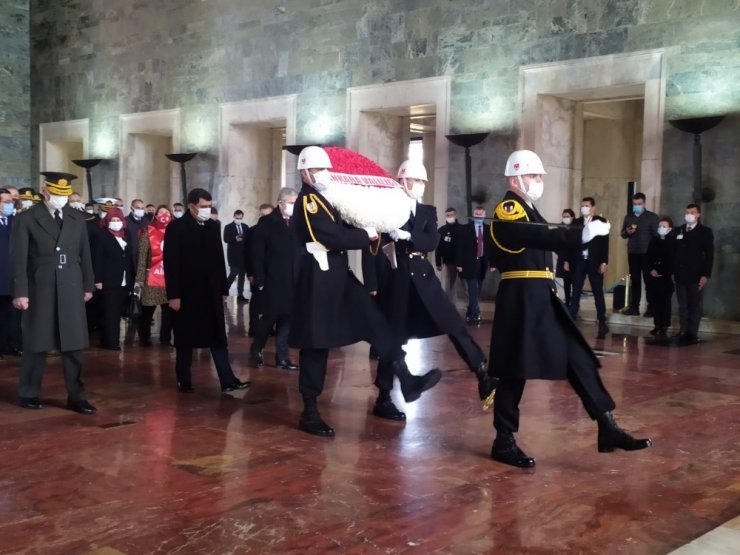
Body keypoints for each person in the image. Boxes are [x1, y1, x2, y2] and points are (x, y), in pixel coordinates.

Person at [487, 150, 651, 468]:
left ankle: (607, 426)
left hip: (541, 294)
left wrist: (578, 235)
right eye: (534, 176)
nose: (539, 181)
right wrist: (579, 235)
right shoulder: (509, 207)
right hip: (521, 296)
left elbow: (538, 234)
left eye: (539, 176)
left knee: (578, 356)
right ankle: (503, 441)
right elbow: (529, 235)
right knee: (513, 370)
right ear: (514, 178)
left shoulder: (529, 208)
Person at [290, 146, 441, 437]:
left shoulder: (327, 198)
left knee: (376, 322)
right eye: (319, 170)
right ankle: (309, 410)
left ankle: (406, 380)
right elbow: (330, 236)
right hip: (317, 279)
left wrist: (377, 221)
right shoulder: (308, 201)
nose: (324, 175)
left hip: (338, 275)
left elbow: (348, 224)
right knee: (316, 343)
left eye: (326, 170)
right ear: (305, 173)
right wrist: (365, 234)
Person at [362, 160, 496, 419]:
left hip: (422, 276)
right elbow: (372, 250)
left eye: (423, 181)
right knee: (395, 336)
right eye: (416, 180)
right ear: (403, 181)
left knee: (453, 322)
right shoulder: (384, 210)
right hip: (396, 278)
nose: (421, 185)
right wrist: (372, 284)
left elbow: (432, 240)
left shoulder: (427, 211)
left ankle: (482, 372)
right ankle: (383, 397)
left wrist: (408, 236)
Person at [11, 172, 96, 414]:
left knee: (74, 345)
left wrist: (88, 285)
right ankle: (28, 392)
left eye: (65, 194)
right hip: (40, 287)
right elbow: (19, 259)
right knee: (36, 344)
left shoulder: (77, 218)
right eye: (57, 194)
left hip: (71, 285)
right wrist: (21, 292)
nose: (61, 198)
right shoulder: (27, 219)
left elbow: (85, 255)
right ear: (45, 191)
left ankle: (77, 397)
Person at [163, 188, 250, 393]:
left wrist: (222, 289)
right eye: (203, 206)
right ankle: (184, 380)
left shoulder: (212, 226)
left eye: (209, 206)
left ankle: (227, 380)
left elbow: (219, 259)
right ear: (191, 206)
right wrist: (174, 295)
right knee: (185, 339)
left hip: (210, 292)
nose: (206, 209)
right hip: (187, 292)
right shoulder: (176, 227)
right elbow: (171, 263)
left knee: (218, 337)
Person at [249, 188, 301, 371]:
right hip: (273, 278)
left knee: (287, 319)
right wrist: (260, 279)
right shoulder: (267, 222)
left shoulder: (298, 221)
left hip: (294, 278)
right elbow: (258, 253)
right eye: (291, 201)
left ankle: (283, 357)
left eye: (296, 201)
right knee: (270, 318)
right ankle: (256, 347)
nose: (294, 205)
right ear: (280, 203)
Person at [93, 207, 135, 350]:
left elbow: (129, 258)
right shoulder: (101, 236)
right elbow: (97, 259)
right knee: (110, 313)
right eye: (113, 220)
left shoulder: (126, 235)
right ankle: (111, 342)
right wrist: (97, 280)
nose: (116, 223)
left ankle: (111, 339)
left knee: (118, 312)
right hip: (108, 280)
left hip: (124, 281)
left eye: (118, 220)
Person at [672, 204, 714, 345]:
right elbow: (674, 252)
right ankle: (683, 330)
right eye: (687, 212)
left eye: (692, 212)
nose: (689, 214)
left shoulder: (705, 232)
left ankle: (693, 333)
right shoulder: (679, 230)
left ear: (698, 215)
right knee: (682, 304)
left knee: (694, 305)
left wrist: (705, 275)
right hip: (680, 274)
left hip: (695, 275)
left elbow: (709, 255)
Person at [568, 197, 610, 339]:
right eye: (582, 206)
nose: (583, 208)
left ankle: (602, 320)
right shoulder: (576, 222)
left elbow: (605, 243)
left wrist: (604, 262)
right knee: (576, 291)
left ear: (593, 207)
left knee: (598, 292)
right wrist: (568, 260)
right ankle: (572, 318)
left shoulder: (601, 221)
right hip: (579, 261)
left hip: (595, 261)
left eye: (586, 206)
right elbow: (571, 242)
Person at [135, 205, 174, 347]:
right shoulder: (148, 231)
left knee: (168, 312)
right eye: (161, 212)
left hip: (170, 280)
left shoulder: (175, 231)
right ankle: (144, 337)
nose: (164, 215)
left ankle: (165, 339)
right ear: (156, 216)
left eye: (167, 212)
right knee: (147, 311)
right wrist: (139, 279)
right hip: (151, 278)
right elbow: (142, 256)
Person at [620, 192, 659, 316]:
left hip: (647, 254)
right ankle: (634, 307)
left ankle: (651, 308)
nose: (637, 206)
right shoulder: (629, 217)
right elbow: (622, 234)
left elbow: (656, 236)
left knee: (649, 281)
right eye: (635, 204)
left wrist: (654, 254)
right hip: (633, 253)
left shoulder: (652, 217)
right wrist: (627, 231)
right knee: (635, 280)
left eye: (639, 204)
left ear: (644, 203)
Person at [456, 205, 490, 325]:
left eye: (480, 214)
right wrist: (459, 263)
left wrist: (493, 263)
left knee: (478, 288)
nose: (478, 216)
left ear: (484, 215)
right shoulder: (465, 229)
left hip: (482, 262)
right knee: (472, 288)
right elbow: (460, 247)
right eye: (476, 214)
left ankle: (470, 312)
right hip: (469, 262)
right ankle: (476, 314)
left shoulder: (489, 229)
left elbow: (491, 248)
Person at [245, 203, 274, 337]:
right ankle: (254, 326)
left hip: (273, 273)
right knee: (256, 301)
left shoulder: (278, 231)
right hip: (257, 272)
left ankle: (269, 327)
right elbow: (247, 253)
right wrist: (250, 273)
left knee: (272, 301)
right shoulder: (252, 231)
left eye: (267, 215)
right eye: (262, 215)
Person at [0, 188, 22, 357]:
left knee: (14, 315)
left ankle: (12, 344)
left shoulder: (16, 222)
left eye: (11, 202)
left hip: (14, 276)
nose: (10, 205)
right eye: (6, 202)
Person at [646, 217, 675, 338]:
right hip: (654, 277)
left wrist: (660, 270)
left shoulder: (672, 242)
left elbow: (671, 260)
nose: (661, 228)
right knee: (655, 301)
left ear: (669, 229)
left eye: (664, 226)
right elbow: (648, 257)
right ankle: (657, 324)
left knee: (665, 303)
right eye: (660, 226)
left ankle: (664, 325)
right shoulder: (654, 241)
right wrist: (651, 269)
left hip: (665, 277)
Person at [223, 209, 249, 302]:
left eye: (240, 218)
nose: (239, 219)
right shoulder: (228, 227)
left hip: (243, 255)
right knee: (233, 273)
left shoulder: (245, 226)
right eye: (237, 218)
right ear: (234, 217)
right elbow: (225, 239)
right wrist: (235, 239)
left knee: (242, 275)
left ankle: (240, 295)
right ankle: (224, 292)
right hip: (233, 256)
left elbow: (248, 239)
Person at [435, 207, 461, 297]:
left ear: (456, 215)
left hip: (462, 262)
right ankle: (450, 305)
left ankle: (470, 307)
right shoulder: (442, 230)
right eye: (448, 215)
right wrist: (438, 263)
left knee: (465, 284)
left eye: (451, 215)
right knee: (450, 283)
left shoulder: (463, 229)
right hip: (449, 262)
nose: (450, 217)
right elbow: (438, 248)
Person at [555, 208, 576, 307]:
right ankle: (568, 301)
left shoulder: (576, 228)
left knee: (575, 281)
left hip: (574, 259)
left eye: (567, 216)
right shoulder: (560, 228)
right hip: (563, 258)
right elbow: (556, 243)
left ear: (572, 217)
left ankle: (575, 302)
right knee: (566, 281)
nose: (565, 218)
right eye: (564, 217)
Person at [125, 198, 147, 272]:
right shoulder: (125, 221)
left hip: (143, 257)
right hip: (130, 257)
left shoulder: (146, 222)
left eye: (142, 208)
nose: (140, 210)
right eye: (138, 208)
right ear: (132, 208)